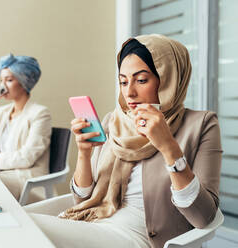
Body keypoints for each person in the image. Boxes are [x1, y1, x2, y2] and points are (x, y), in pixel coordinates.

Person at [28, 34, 222, 248]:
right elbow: (83, 201)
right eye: (123, 81)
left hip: (139, 237)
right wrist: (83, 153)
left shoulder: (201, 124)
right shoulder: (114, 121)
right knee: (12, 223)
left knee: (22, 226)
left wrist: (169, 147)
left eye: (141, 80)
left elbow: (204, 217)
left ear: (168, 80)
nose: (129, 92)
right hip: (94, 221)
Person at [0, 53, 52, 203]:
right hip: (1, 174)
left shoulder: (40, 113)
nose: (2, 86)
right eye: (1, 80)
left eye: (9, 80)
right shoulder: (2, 112)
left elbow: (26, 157)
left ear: (24, 82)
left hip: (24, 179)